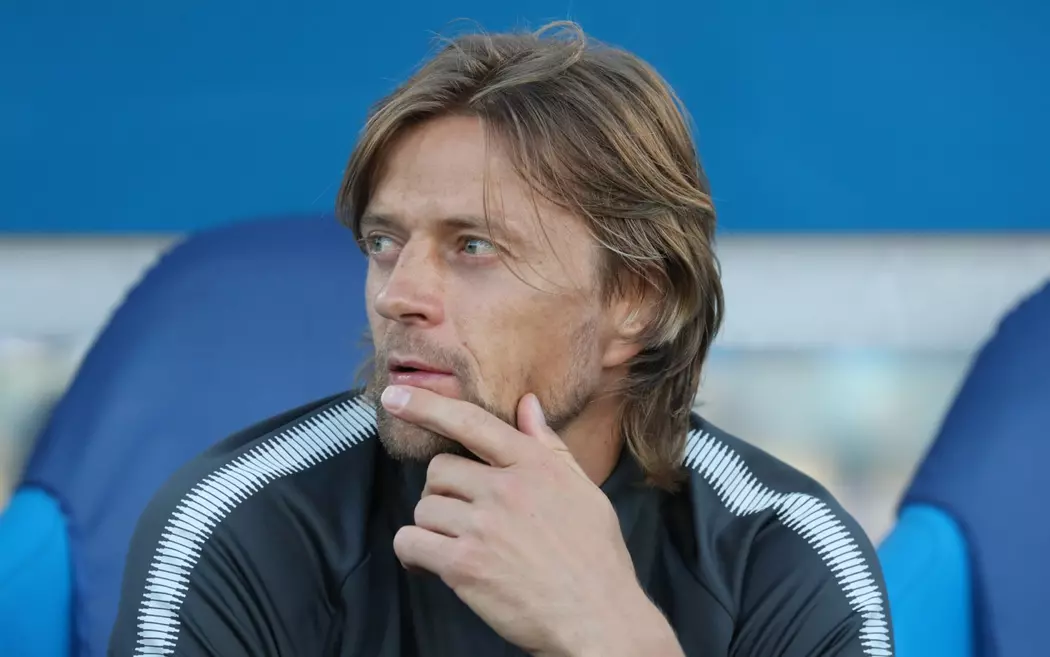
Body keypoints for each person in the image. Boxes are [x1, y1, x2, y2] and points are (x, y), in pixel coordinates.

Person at [108, 22, 893, 657]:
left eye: (473, 246)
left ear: (636, 299)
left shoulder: (779, 555)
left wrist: (614, 634)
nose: (398, 294)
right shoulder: (242, 527)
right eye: (384, 242)